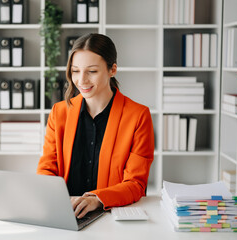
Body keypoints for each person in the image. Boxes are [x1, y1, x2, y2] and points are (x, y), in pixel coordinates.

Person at [37, 33, 154, 219]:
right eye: (75, 71)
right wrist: (54, 199)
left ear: (112, 69)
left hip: (110, 215)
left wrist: (97, 199)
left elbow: (135, 184)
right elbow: (46, 169)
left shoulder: (138, 116)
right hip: (65, 215)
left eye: (91, 71)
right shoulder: (59, 113)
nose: (81, 80)